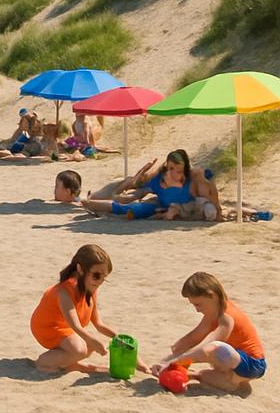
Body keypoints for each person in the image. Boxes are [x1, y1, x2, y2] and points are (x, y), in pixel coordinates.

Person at [30, 244, 145, 373]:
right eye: (96, 276)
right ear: (80, 269)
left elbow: (98, 324)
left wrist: (119, 338)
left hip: (64, 327)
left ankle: (68, 363)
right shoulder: (64, 292)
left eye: (104, 278)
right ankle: (43, 362)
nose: (100, 281)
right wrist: (92, 340)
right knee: (80, 349)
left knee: (89, 345)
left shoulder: (90, 290)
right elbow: (76, 326)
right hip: (47, 328)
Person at [152, 272, 265, 393]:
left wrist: (173, 362)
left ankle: (233, 378)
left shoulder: (227, 316)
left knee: (215, 348)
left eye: (198, 304)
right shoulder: (211, 314)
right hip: (233, 362)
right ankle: (215, 377)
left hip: (253, 365)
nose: (197, 310)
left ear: (213, 296)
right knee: (181, 349)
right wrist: (164, 362)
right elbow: (191, 340)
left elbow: (209, 347)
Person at [80, 150, 213, 220]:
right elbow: (132, 192)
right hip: (159, 206)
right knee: (128, 208)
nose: (174, 174)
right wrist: (141, 173)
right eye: (171, 169)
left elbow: (209, 196)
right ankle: (89, 203)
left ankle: (94, 204)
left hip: (173, 210)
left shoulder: (192, 181)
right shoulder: (159, 180)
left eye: (179, 170)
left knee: (132, 210)